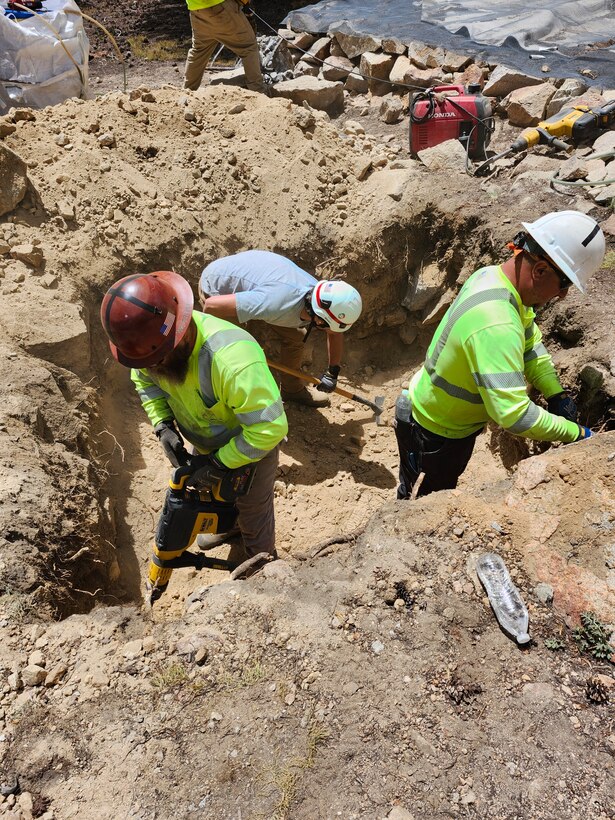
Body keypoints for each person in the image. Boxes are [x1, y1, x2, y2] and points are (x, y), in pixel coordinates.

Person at [395, 210, 606, 499]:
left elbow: (530, 341)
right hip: (435, 433)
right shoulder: (497, 323)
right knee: (428, 500)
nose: (562, 296)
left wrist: (555, 394)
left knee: (420, 485)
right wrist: (580, 435)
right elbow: (514, 416)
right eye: (565, 284)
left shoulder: (493, 277)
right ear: (541, 270)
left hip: (431, 412)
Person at [100, 269, 288, 592]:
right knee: (215, 498)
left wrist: (220, 464)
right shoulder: (150, 356)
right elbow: (143, 381)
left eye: (159, 360)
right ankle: (231, 526)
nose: (153, 368)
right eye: (147, 361)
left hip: (251, 444)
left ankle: (262, 573)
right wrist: (163, 425)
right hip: (206, 441)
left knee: (253, 509)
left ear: (180, 333)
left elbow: (269, 428)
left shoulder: (231, 361)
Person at [198, 250, 363, 408]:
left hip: (256, 283)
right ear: (319, 320)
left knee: (296, 337)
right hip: (217, 290)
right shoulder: (275, 303)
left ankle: (292, 390)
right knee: (237, 354)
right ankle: (229, 402)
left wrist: (332, 373)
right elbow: (212, 306)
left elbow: (334, 334)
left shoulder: (321, 298)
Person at [183, 0, 265, 93]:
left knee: (199, 51)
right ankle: (258, 91)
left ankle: (187, 92)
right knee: (248, 47)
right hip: (220, 7)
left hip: (197, 9)